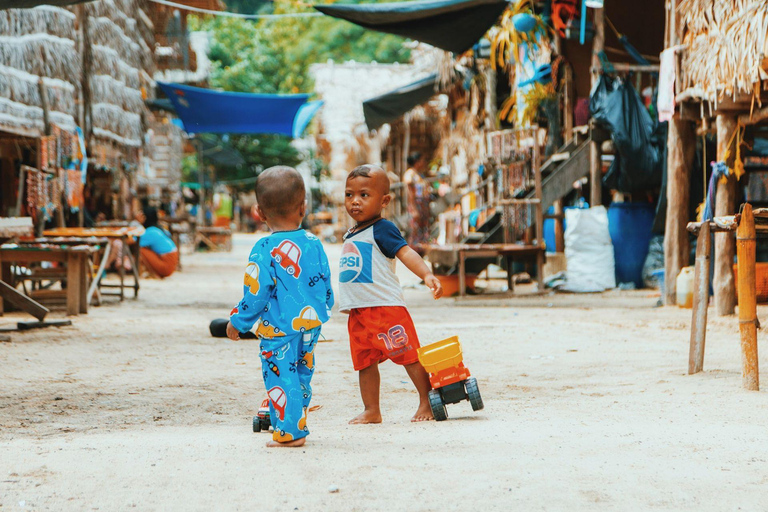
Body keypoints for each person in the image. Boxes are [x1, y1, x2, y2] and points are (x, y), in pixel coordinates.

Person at [226, 166, 334, 448]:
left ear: (259, 213)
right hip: (311, 326)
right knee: (301, 373)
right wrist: (325, 308)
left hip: (278, 329)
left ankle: (290, 433)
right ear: (303, 207)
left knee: (280, 376)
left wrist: (239, 321)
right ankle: (296, 420)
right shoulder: (313, 242)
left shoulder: (263, 249)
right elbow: (325, 280)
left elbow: (255, 292)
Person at [340, 164, 443, 424]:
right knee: (364, 363)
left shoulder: (382, 228)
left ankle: (427, 400)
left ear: (384, 200)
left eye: (364, 195)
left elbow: (406, 252)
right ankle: (371, 409)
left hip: (385, 307)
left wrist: (426, 274)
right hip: (359, 311)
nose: (355, 202)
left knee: (408, 354)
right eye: (349, 195)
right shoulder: (351, 232)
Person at [137, 207, 178, 279]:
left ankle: (151, 273)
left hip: (166, 265)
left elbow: (133, 241)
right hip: (170, 262)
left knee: (140, 250)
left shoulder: (151, 231)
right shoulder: (158, 228)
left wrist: (137, 223)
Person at [403, 154, 432, 247]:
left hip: (422, 206)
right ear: (417, 161)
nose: (423, 163)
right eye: (422, 160)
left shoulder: (419, 174)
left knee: (422, 231)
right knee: (415, 230)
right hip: (416, 205)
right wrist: (414, 208)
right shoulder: (410, 174)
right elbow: (410, 192)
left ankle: (421, 252)